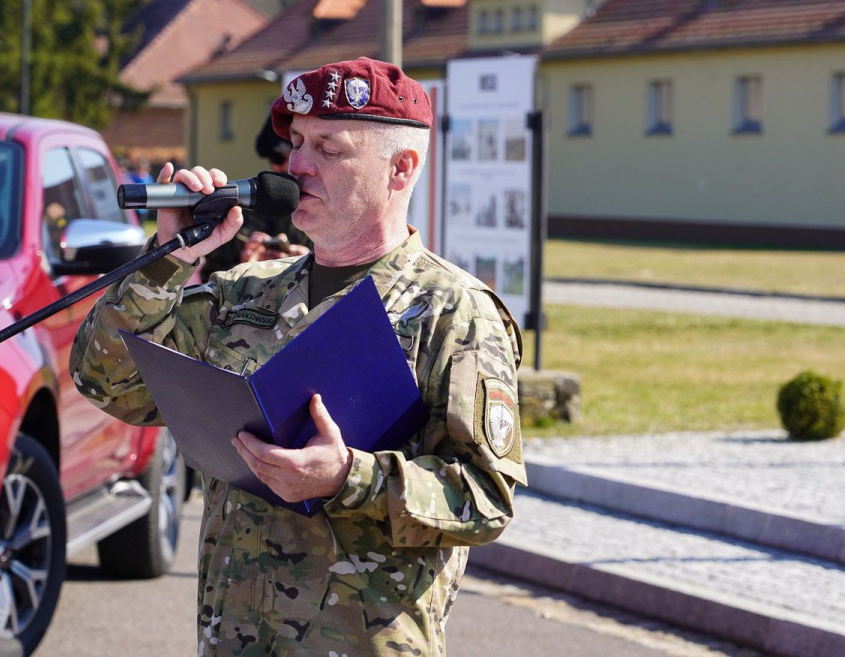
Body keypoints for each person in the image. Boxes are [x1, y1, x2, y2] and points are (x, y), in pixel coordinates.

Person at [70, 56, 525, 655]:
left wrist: (348, 477)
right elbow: (107, 380)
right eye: (297, 142)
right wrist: (168, 257)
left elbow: (485, 499)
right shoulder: (245, 292)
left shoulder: (454, 312)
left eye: (329, 149)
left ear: (401, 168)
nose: (297, 165)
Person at [200, 114, 311, 277]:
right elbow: (210, 277)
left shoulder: (321, 208)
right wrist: (245, 266)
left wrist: (309, 262)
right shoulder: (243, 211)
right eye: (276, 158)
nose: (280, 166)